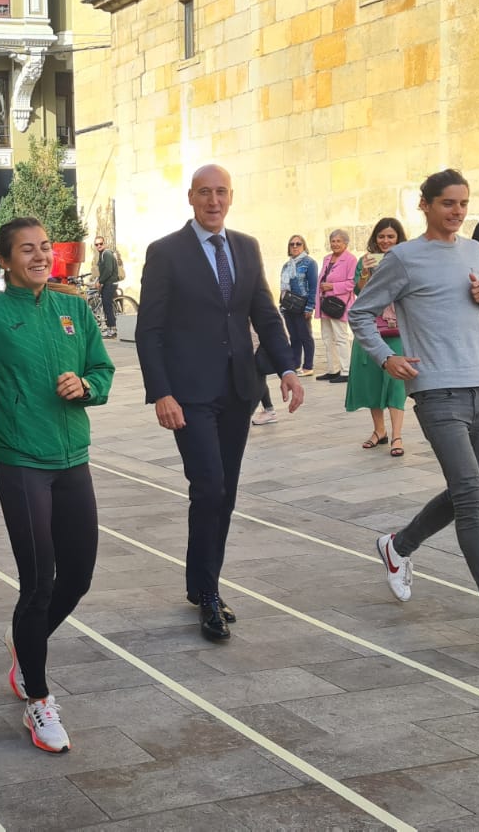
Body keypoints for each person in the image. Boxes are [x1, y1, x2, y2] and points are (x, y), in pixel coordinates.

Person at [349, 168, 479, 666]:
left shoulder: (477, 253)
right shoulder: (402, 258)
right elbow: (360, 313)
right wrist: (386, 358)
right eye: (448, 204)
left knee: (466, 492)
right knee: (471, 504)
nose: (458, 212)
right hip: (436, 391)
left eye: (463, 204)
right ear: (425, 205)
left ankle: (398, 545)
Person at [0, 217, 114, 754]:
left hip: (73, 460)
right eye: (25, 250)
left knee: (77, 578)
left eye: (44, 248)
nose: (38, 256)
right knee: (39, 583)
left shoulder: (74, 309)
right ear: (4, 262)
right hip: (21, 465)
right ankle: (38, 699)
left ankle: (23, 641)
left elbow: (102, 369)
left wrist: (87, 386)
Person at [136, 164, 305, 642]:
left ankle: (202, 582)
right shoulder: (166, 252)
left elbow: (266, 316)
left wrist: (288, 368)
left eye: (222, 193)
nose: (214, 201)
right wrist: (161, 392)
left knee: (224, 492)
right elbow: (150, 329)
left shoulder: (247, 248)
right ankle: (209, 594)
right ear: (191, 197)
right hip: (188, 395)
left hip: (238, 390)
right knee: (208, 486)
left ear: (231, 197)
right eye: (205, 193)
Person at [343, 219, 409, 456]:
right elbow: (360, 292)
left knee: (396, 384)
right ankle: (379, 430)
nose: (385, 241)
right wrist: (368, 274)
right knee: (372, 380)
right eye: (381, 236)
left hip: (397, 329)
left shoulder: (407, 260)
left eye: (391, 237)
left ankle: (398, 435)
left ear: (399, 239)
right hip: (372, 329)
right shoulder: (365, 261)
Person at [315, 229, 356, 383]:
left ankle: (346, 370)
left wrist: (332, 287)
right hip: (325, 303)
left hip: (338, 304)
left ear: (345, 243)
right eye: (333, 241)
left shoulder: (351, 260)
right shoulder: (326, 259)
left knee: (340, 337)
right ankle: (333, 369)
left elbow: (352, 283)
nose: (335, 244)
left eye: (339, 241)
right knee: (327, 337)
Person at [279, 235, 317, 377]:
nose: (295, 246)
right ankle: (295, 365)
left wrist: (310, 307)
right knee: (294, 337)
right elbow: (283, 287)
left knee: (305, 336)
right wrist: (281, 305)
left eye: (298, 244)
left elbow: (314, 286)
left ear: (303, 246)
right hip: (288, 305)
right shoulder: (287, 265)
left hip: (302, 305)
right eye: (292, 244)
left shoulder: (309, 263)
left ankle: (308, 366)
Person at [94, 236, 123, 338]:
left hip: (110, 283)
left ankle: (112, 329)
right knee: (107, 305)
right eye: (96, 244)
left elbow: (108, 270)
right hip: (108, 282)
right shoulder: (102, 255)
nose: (99, 246)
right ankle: (110, 328)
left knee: (107, 305)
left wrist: (100, 282)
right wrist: (98, 280)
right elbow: (102, 271)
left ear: (104, 243)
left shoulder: (107, 254)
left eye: (101, 243)